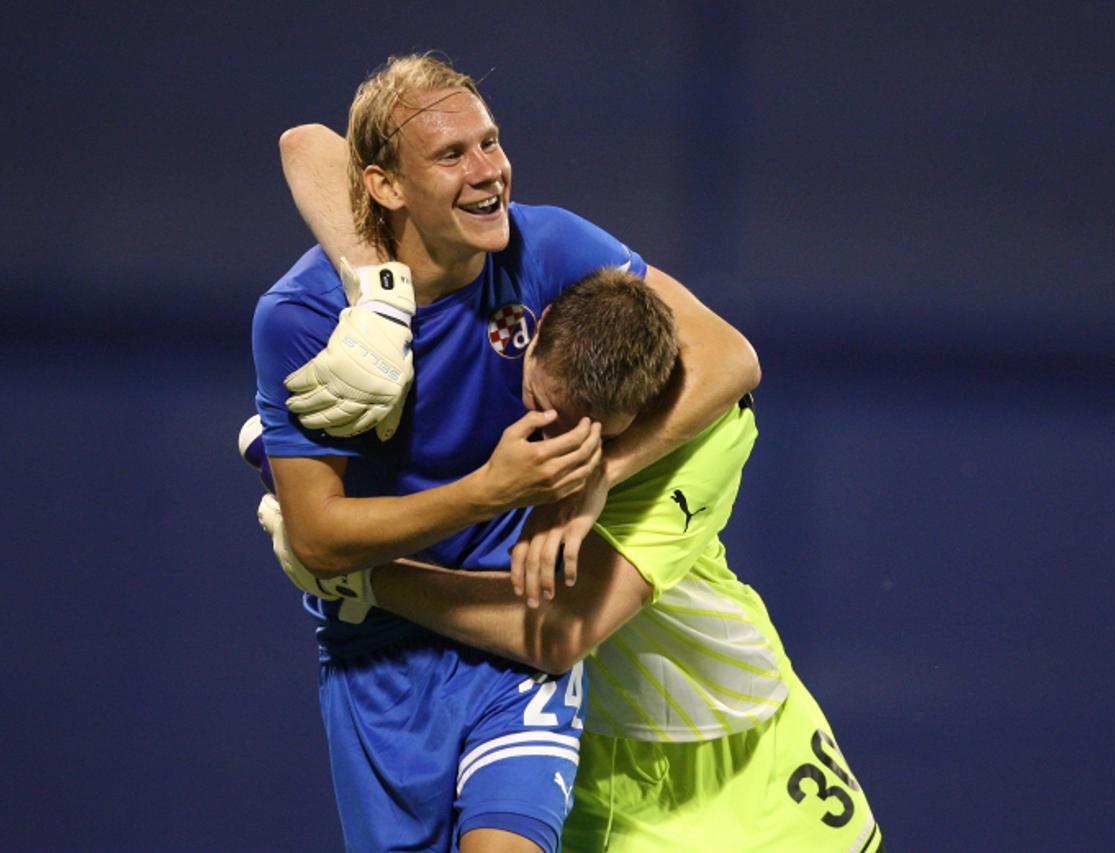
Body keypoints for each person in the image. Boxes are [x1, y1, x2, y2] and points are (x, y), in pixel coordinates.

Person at [252, 53, 759, 853]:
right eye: (452, 155)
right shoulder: (301, 317)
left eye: (490, 142)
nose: (489, 171)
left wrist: (587, 477)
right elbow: (315, 539)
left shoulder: (543, 243)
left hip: (510, 637)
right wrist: (488, 489)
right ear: (384, 184)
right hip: (375, 664)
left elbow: (729, 356)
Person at [254, 265, 882, 851]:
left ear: (638, 411)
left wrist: (366, 579)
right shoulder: (508, 342)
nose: (550, 437)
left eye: (586, 431)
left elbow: (557, 633)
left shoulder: (708, 442)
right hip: (592, 776)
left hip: (743, 776)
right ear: (537, 333)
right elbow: (314, 147)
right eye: (538, 403)